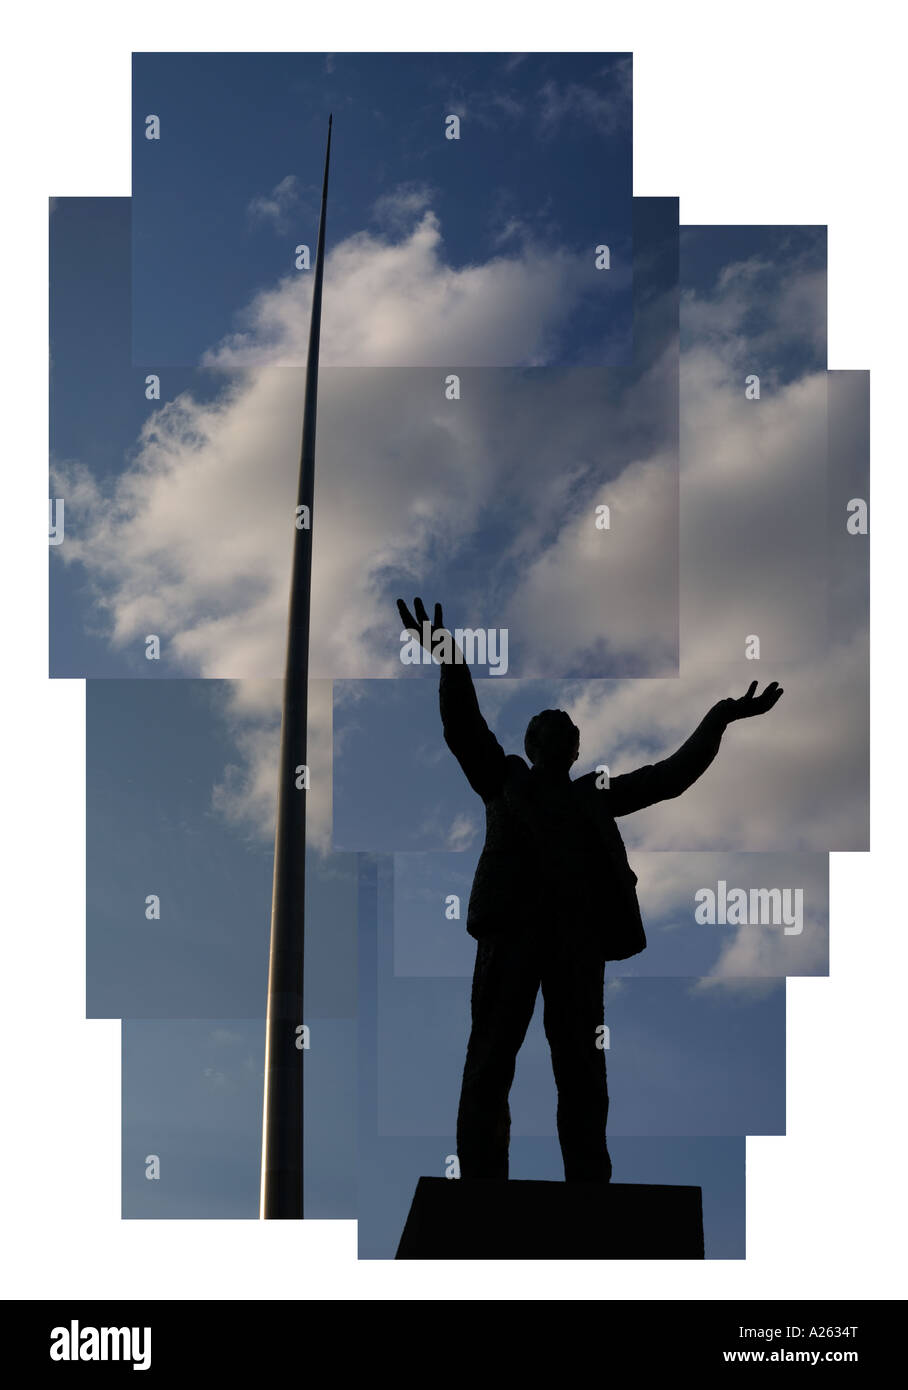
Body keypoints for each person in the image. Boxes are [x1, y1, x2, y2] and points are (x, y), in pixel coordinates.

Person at [397, 597, 784, 1183]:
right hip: (512, 933)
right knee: (491, 1059)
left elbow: (670, 777)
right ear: (531, 745)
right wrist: (451, 660)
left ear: (576, 750)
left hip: (575, 942)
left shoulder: (594, 797)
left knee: (581, 1069)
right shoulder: (503, 780)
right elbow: (464, 728)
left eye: (565, 734)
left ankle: (588, 1183)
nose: (556, 739)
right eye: (545, 731)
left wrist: (719, 718)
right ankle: (480, 1184)